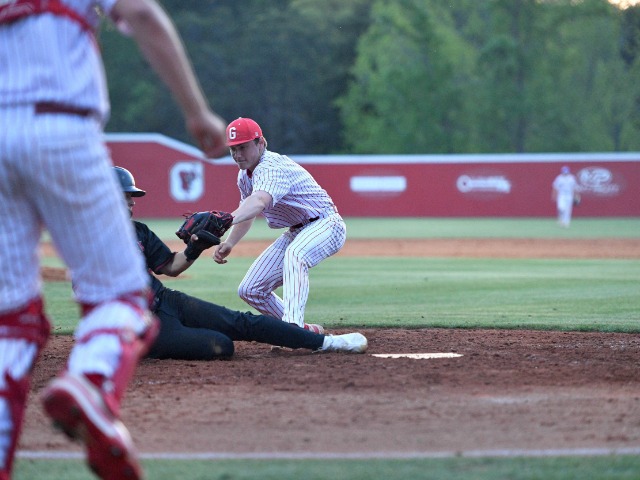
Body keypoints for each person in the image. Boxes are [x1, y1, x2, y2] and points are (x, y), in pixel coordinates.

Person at [0, 1, 227, 479]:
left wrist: (194, 248)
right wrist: (197, 113)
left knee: (12, 321)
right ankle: (91, 380)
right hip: (61, 125)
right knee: (124, 298)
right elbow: (141, 13)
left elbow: (172, 264)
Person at [114, 166, 367, 360]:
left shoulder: (138, 230)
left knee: (241, 321)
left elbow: (170, 266)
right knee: (220, 345)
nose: (133, 201)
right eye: (126, 196)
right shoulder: (95, 241)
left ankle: (327, 342)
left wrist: (194, 248)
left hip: (166, 300)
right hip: (141, 322)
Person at [213, 117, 346, 334]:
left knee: (295, 255)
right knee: (250, 290)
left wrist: (225, 219)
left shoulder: (271, 167)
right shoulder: (244, 175)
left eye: (243, 147)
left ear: (261, 143)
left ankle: (293, 328)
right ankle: (304, 331)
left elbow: (259, 202)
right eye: (233, 149)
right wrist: (230, 242)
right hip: (296, 231)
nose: (237, 154)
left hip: (326, 223)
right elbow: (248, 211)